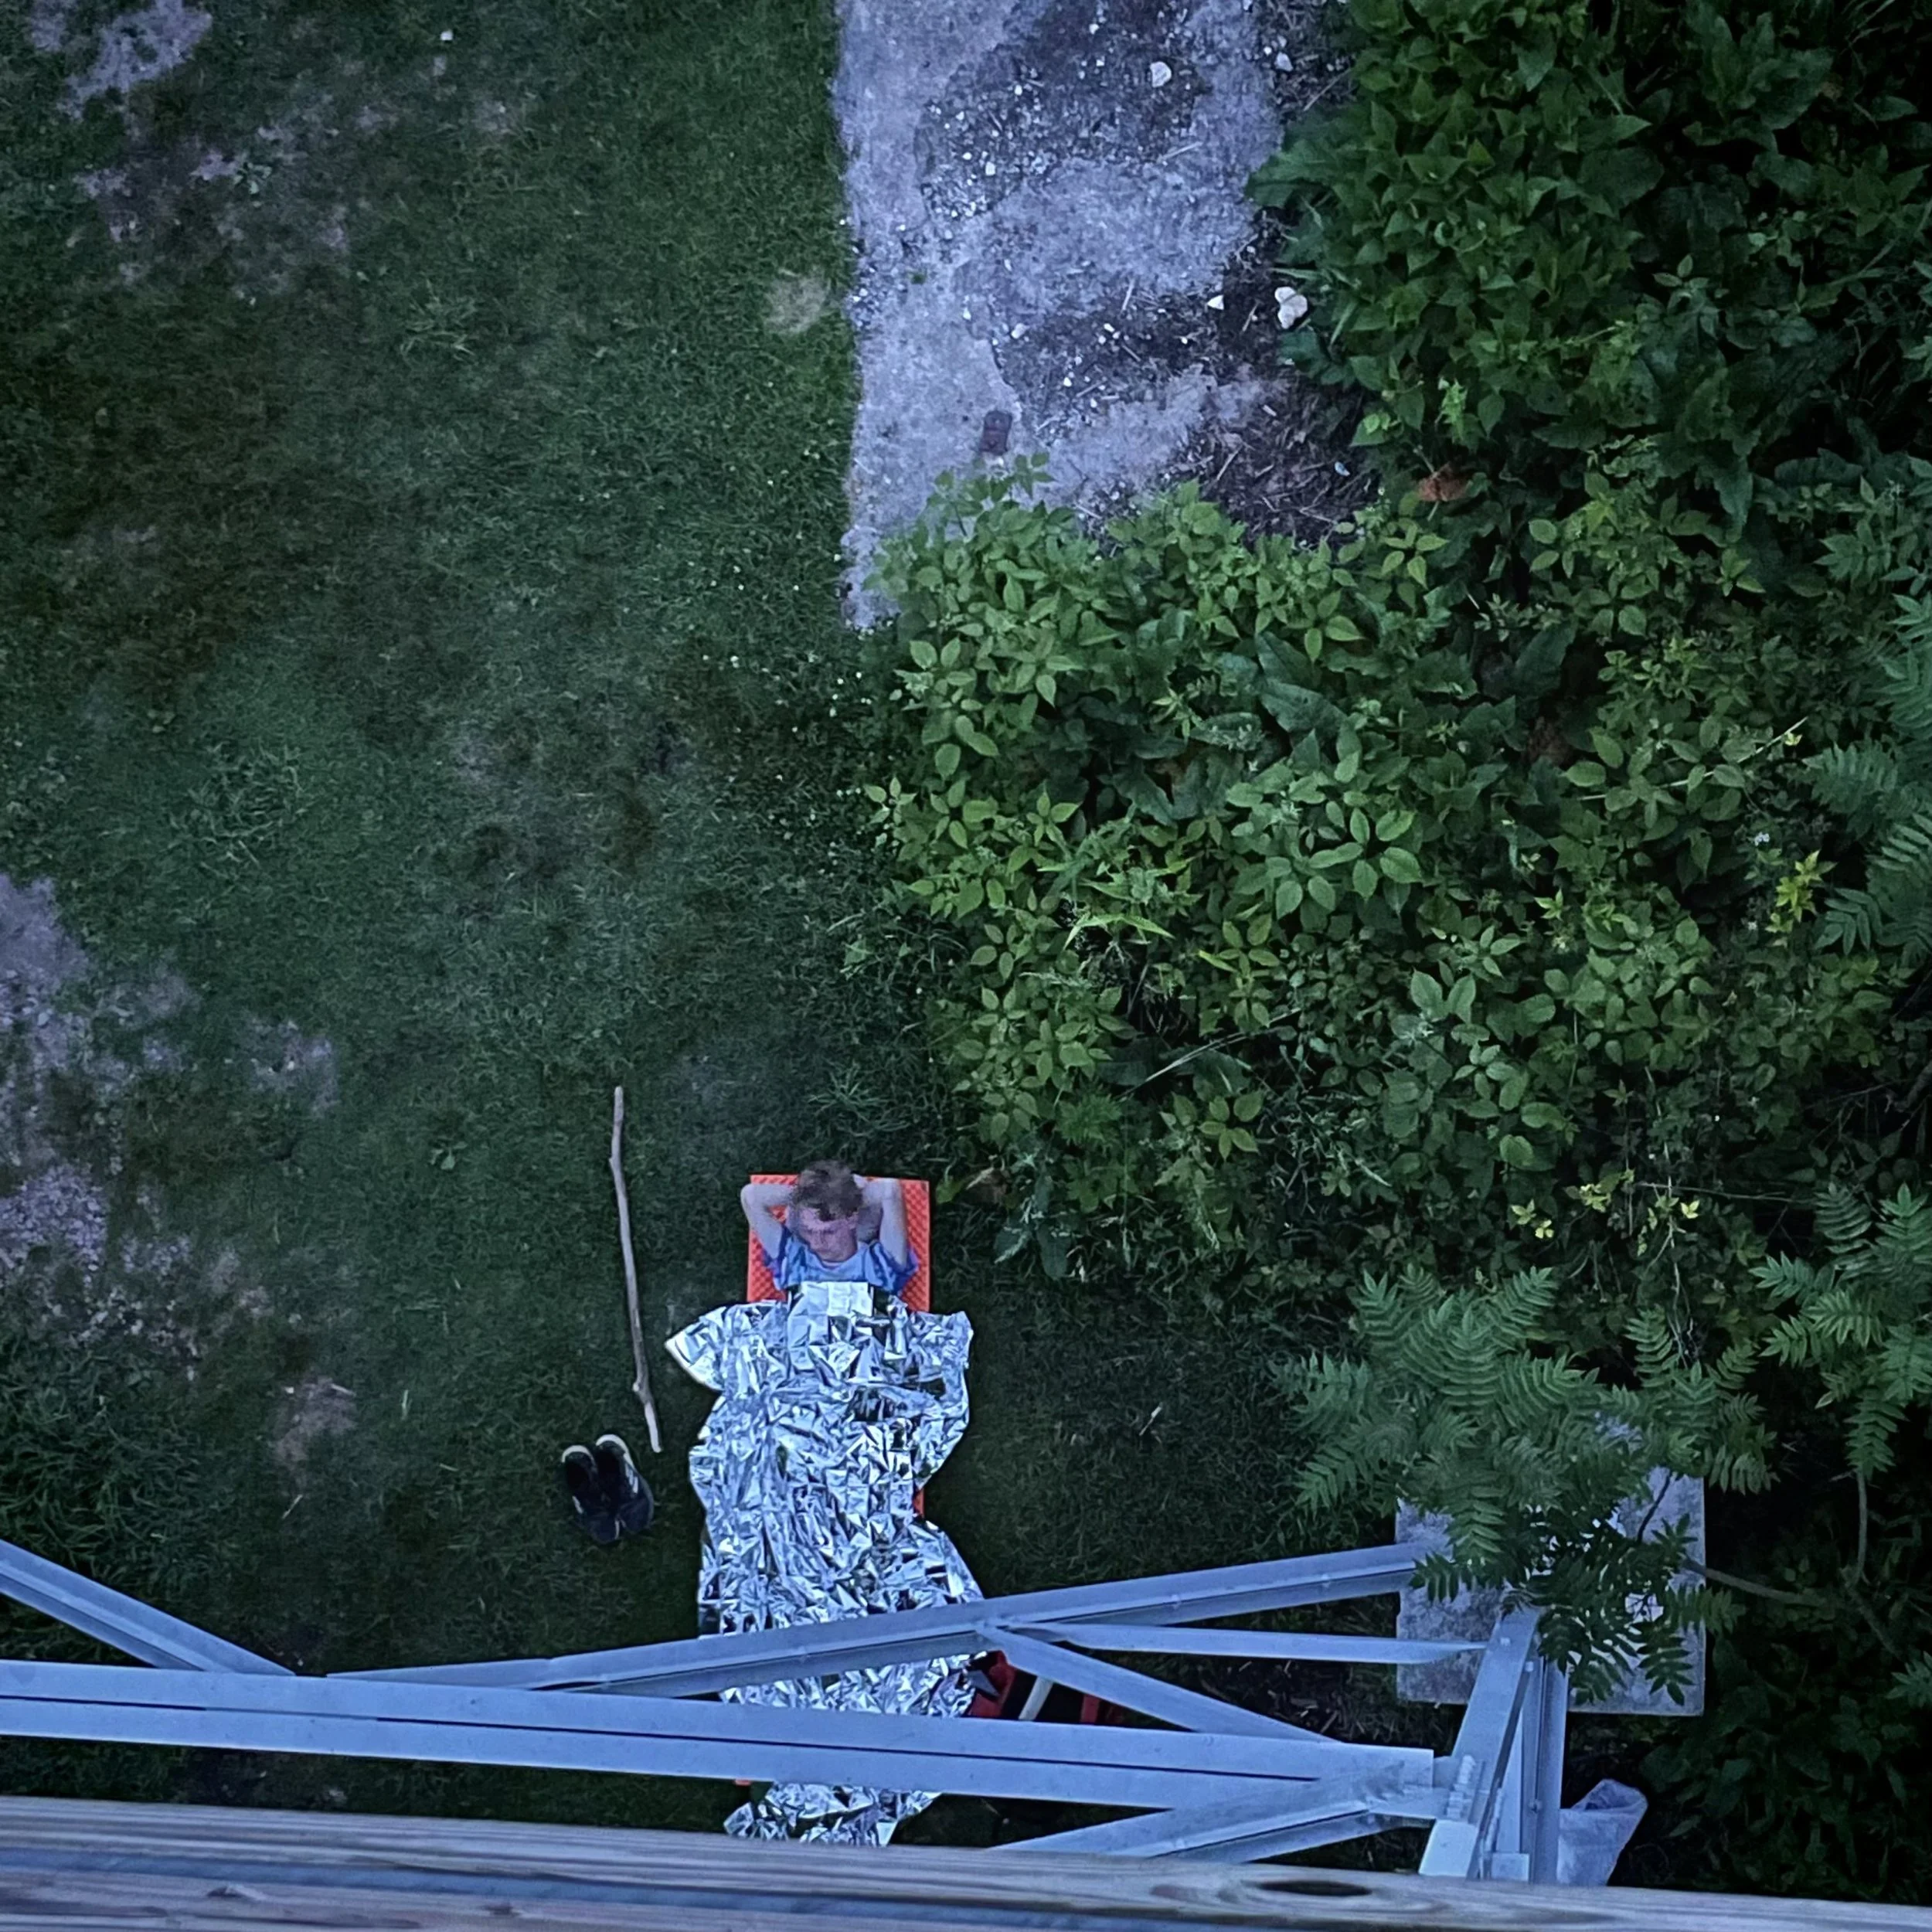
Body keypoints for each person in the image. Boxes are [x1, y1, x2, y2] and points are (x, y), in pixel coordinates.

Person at [740, 1159, 916, 1298]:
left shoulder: (880, 1264)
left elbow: (889, 1190)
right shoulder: (794, 1257)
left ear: (852, 1219)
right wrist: (808, 1197)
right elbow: (751, 1196)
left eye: (828, 1232)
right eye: (809, 1231)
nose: (817, 1244)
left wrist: (844, 1199)